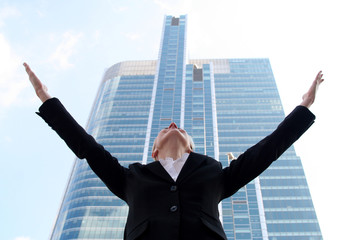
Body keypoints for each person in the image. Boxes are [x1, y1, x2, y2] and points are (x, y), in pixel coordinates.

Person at [24, 62, 324, 240]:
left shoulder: (214, 173)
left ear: (192, 147)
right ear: (153, 151)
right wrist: (46, 98)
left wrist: (303, 106)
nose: (171, 123)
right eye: (164, 128)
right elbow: (88, 147)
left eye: (177, 126)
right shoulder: (132, 178)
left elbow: (265, 152)